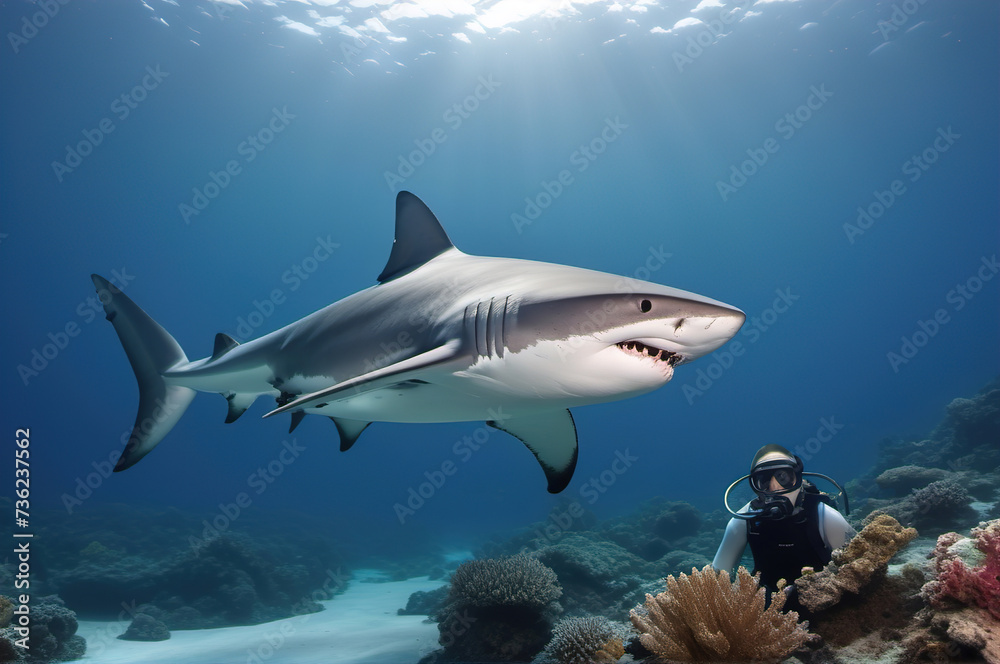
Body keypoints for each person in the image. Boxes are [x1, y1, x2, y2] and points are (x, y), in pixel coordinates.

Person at [712, 444, 856, 608]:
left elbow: (858, 568)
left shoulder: (826, 517)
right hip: (768, 617)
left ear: (798, 479)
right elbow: (714, 582)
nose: (776, 488)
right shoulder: (742, 521)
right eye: (764, 480)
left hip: (828, 609)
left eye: (784, 478)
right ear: (755, 486)